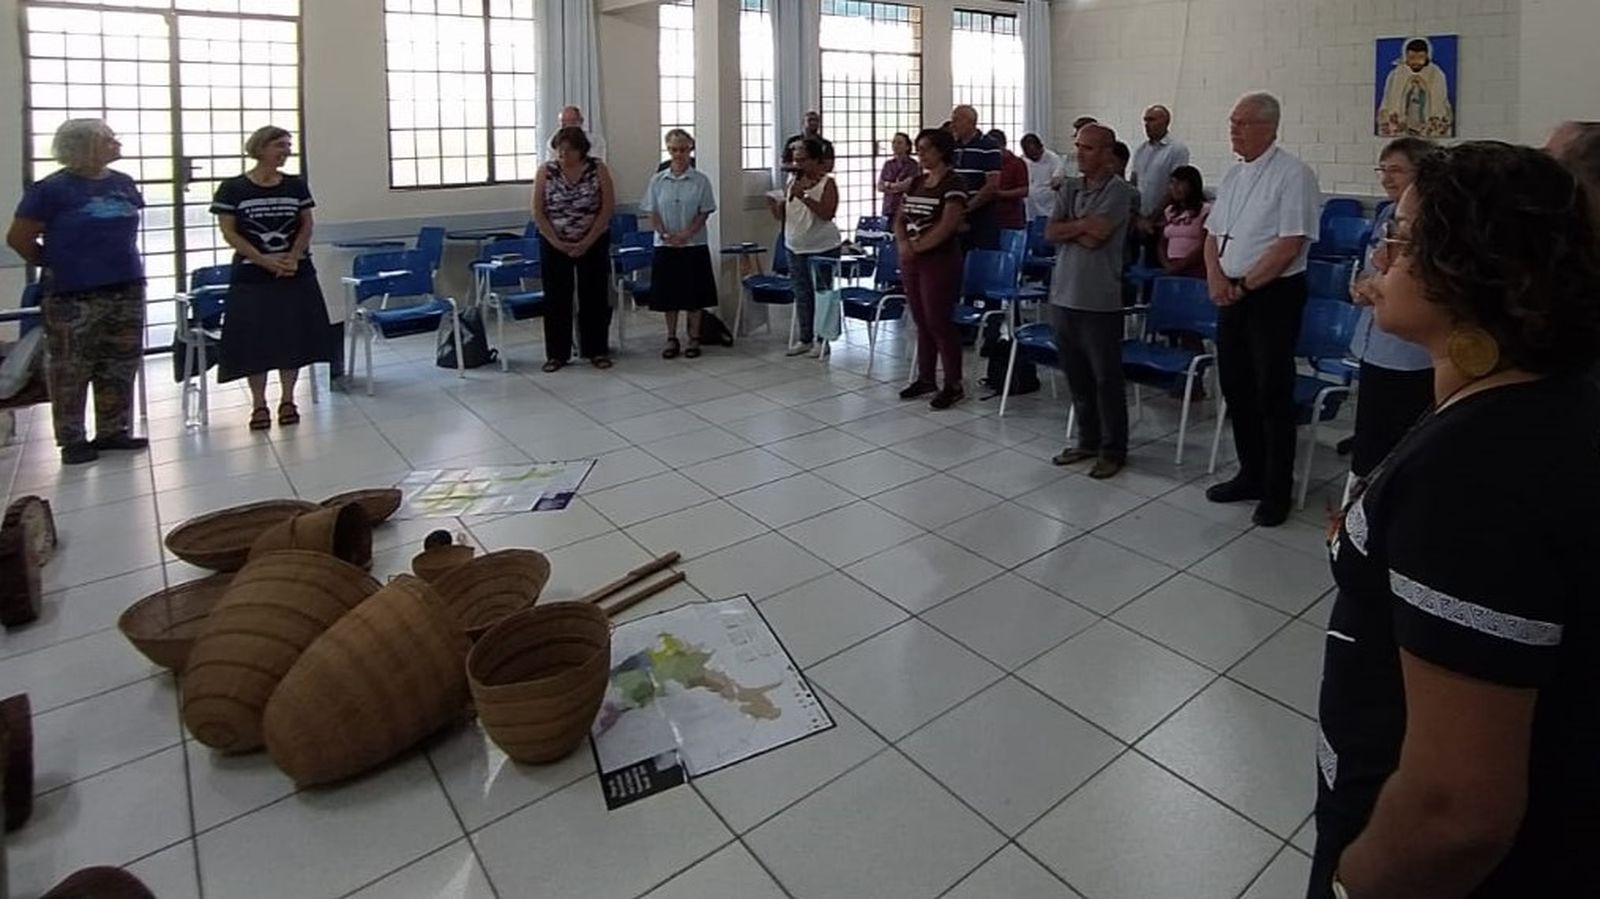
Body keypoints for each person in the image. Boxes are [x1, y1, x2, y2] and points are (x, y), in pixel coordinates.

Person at [1312, 141, 1600, 899]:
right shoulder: (1521, 401)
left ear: (1465, 268)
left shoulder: (1480, 468)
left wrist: (1353, 879)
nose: (1386, 254)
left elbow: (1456, 812)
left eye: (1404, 239)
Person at [1203, 91, 1322, 526]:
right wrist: (1217, 279)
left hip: (1272, 296)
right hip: (1232, 294)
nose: (1233, 129)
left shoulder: (1294, 174)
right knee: (1236, 386)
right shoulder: (1233, 175)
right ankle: (1249, 473)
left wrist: (1245, 286)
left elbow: (1290, 244)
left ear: (1269, 127)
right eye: (1232, 121)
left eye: (1242, 122)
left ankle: (1277, 488)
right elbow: (1213, 236)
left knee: (1272, 392)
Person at [5, 119, 147, 464]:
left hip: (125, 285)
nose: (117, 144)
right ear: (84, 146)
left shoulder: (123, 184)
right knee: (71, 367)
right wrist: (53, 263)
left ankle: (114, 430)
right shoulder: (52, 190)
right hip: (73, 293)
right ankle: (72, 439)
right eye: (108, 140)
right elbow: (19, 239)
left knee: (119, 362)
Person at [210, 126, 333, 431]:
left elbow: (306, 224)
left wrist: (292, 256)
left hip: (295, 271)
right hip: (252, 276)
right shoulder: (233, 188)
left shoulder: (295, 185)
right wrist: (264, 260)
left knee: (292, 336)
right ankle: (259, 404)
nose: (285, 151)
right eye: (279, 145)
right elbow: (229, 232)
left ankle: (288, 398)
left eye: (288, 145)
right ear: (260, 148)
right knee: (256, 341)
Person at [1044, 124, 1139, 479]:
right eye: (1078, 147)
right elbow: (1051, 232)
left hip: (1098, 299)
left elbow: (1098, 237)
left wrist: (1075, 227)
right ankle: (1087, 439)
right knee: (1077, 375)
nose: (1079, 154)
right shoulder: (1070, 186)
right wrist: (1078, 228)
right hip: (1063, 295)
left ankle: (1114, 448)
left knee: (1105, 378)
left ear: (1105, 153)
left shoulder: (1119, 191)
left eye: (1087, 148)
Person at [1344, 138, 1434, 487]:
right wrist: (1364, 286)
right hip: (1374, 342)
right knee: (1370, 441)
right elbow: (1375, 268)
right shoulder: (1385, 214)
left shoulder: (1434, 225)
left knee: (1402, 447)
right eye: (1383, 170)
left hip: (1409, 353)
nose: (1386, 178)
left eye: (1396, 170)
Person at [893, 128, 969, 411]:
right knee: (921, 320)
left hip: (940, 260)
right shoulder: (916, 182)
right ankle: (926, 378)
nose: (920, 154)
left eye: (925, 149)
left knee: (939, 321)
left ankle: (953, 383)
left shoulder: (953, 183)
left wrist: (919, 247)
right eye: (918, 148)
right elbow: (900, 218)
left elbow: (948, 225)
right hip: (912, 260)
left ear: (941, 152)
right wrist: (903, 243)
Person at [532, 126, 616, 371]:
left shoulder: (597, 168)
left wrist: (587, 241)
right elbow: (538, 211)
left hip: (593, 240)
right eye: (559, 150)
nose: (563, 155)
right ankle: (557, 354)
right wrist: (557, 242)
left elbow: (607, 207)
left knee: (594, 296)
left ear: (581, 150)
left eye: (568, 150)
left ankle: (596, 350)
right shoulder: (546, 171)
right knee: (557, 298)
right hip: (554, 242)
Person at [641, 129, 717, 360]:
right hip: (665, 245)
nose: (678, 154)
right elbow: (651, 211)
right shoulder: (657, 180)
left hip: (693, 244)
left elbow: (704, 211)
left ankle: (694, 337)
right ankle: (671, 337)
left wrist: (685, 234)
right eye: (674, 150)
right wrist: (664, 234)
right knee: (669, 294)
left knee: (694, 294)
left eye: (683, 149)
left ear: (690, 149)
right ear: (668, 150)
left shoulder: (701, 180)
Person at [768, 137, 841, 358]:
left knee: (823, 293)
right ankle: (805, 338)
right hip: (795, 245)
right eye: (795, 160)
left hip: (822, 246)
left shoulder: (827, 182)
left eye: (802, 160)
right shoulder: (792, 181)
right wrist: (776, 206)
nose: (797, 165)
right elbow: (785, 216)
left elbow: (827, 213)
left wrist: (805, 196)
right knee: (802, 293)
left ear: (816, 160)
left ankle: (823, 339)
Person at [1130, 104, 1192, 256]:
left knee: (1155, 260)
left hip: (1162, 220)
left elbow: (1175, 188)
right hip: (1138, 219)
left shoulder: (1176, 149)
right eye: (1145, 120)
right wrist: (1136, 216)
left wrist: (1152, 219)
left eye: (1151, 120)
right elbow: (1133, 183)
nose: (1146, 124)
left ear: (1166, 122)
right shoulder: (1141, 150)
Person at [1376, 37, 1454, 137]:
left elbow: (1439, 99)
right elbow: (1389, 98)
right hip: (1405, 120)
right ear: (1406, 57)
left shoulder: (1436, 74)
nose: (1416, 62)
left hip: (1423, 117)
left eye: (1420, 57)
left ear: (1427, 57)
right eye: (1412, 57)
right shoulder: (1396, 74)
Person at [948, 105, 1001, 251]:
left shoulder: (988, 145)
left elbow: (992, 186)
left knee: (981, 263)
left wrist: (966, 208)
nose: (953, 124)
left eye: (956, 120)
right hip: (955, 217)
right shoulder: (952, 147)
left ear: (970, 122)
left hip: (981, 217)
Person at [1156, 165, 1210, 276]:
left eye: (1180, 183)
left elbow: (1205, 244)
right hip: (1171, 267)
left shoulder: (1206, 210)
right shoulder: (1169, 211)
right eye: (1172, 183)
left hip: (1195, 269)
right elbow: (1162, 242)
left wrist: (1182, 264)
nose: (1175, 187)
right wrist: (1167, 264)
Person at [987, 129, 1030, 232]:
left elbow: (1024, 190)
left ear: (1002, 145)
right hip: (989, 218)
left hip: (1011, 220)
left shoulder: (1017, 163)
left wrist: (1000, 194)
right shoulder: (987, 163)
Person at [876, 132, 919, 221]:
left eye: (899, 143)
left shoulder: (913, 165)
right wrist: (896, 187)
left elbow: (907, 185)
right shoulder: (888, 164)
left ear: (907, 147)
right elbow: (880, 186)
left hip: (905, 207)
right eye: (894, 142)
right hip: (888, 207)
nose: (895, 145)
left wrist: (889, 185)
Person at [1019, 133, 1062, 221]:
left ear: (1041, 147)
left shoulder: (1053, 159)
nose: (1034, 157)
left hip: (1048, 209)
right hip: (1029, 209)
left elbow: (1058, 178)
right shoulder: (1022, 160)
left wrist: (1056, 182)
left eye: (1036, 154)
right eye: (1030, 156)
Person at [1051, 116, 1099, 188]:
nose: (1076, 141)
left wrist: (1068, 181)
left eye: (1079, 136)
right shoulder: (1069, 158)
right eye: (1075, 137)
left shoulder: (1101, 159)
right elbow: (1055, 182)